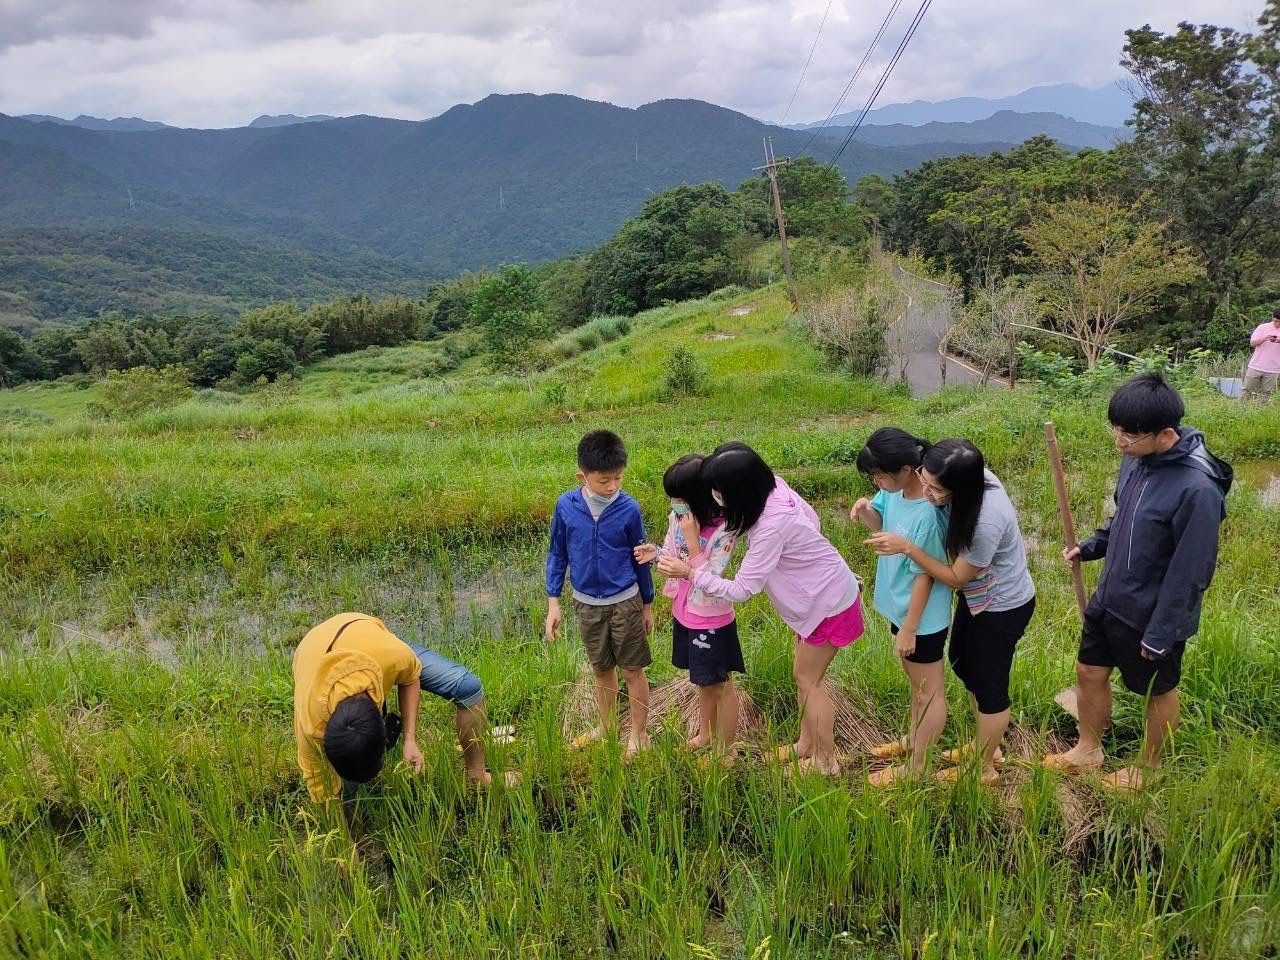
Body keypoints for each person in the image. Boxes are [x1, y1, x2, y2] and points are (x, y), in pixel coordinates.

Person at [1045, 374, 1232, 790]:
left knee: (1157, 690)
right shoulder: (1137, 460)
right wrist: (1092, 547)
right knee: (1089, 670)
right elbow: (1125, 518)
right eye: (1116, 430)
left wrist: (1162, 632)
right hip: (1111, 597)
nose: (1119, 442)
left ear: (1166, 434)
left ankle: (1149, 768)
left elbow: (1191, 572)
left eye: (1129, 436)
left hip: (1152, 614)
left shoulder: (1198, 490)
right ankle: (1088, 749)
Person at [657, 442, 863, 777]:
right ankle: (806, 745)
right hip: (816, 601)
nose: (715, 497)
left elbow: (743, 589)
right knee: (805, 678)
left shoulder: (770, 527)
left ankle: (826, 762)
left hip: (827, 605)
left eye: (718, 490)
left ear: (738, 491)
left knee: (808, 680)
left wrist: (691, 572)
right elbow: (813, 520)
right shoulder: (774, 487)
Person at [866, 439, 1036, 787]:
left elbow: (956, 578)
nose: (926, 491)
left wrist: (908, 548)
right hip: (978, 600)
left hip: (1001, 604)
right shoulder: (963, 475)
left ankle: (985, 767)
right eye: (924, 480)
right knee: (963, 663)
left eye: (935, 488)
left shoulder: (987, 520)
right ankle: (986, 747)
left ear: (960, 487)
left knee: (989, 685)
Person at [293, 612, 518, 806]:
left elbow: (410, 677)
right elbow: (321, 793)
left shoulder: (390, 656)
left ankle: (477, 776)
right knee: (346, 790)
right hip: (312, 650)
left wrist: (410, 738)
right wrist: (345, 846)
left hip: (364, 634)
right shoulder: (310, 726)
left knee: (469, 688)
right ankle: (351, 799)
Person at [850, 428, 952, 787]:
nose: (877, 481)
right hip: (901, 605)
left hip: (921, 616)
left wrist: (910, 628)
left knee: (929, 689)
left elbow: (926, 576)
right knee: (915, 683)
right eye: (873, 476)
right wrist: (866, 510)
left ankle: (921, 766)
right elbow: (881, 522)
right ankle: (915, 740)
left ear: (907, 469)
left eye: (880, 475)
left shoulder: (927, 513)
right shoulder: (892, 491)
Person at [545, 430, 656, 756]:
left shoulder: (629, 509)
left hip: (625, 600)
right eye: (604, 481)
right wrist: (553, 602)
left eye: (618, 478)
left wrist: (647, 603)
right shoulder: (566, 506)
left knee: (632, 670)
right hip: (587, 604)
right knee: (601, 669)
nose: (612, 487)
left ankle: (639, 734)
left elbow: (642, 558)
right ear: (583, 475)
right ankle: (607, 726)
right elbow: (557, 554)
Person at [635, 454, 743, 764]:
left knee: (721, 684)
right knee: (702, 679)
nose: (675, 506)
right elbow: (671, 554)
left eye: (680, 500)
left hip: (712, 618)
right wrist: (654, 554)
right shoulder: (677, 519)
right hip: (686, 612)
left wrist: (694, 543)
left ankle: (727, 750)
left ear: (698, 496)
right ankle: (707, 735)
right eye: (672, 500)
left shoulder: (725, 528)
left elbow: (712, 576)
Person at [1242, 307, 1280, 402]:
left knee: (1266, 393)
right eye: (1276, 321)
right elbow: (1252, 343)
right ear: (1272, 317)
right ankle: (1239, 411)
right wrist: (1265, 338)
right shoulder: (1262, 327)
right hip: (1256, 366)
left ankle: (1260, 413)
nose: (1278, 324)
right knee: (1246, 390)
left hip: (1273, 369)